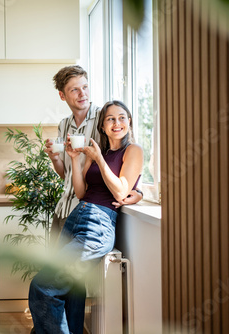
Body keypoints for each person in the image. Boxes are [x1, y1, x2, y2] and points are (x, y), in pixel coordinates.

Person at [29, 100, 144, 334]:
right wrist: (73, 158)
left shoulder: (133, 151)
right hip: (76, 217)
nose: (117, 123)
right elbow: (81, 192)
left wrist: (100, 160)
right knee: (71, 288)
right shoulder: (96, 153)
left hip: (98, 224)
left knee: (43, 287)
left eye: (122, 117)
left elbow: (121, 191)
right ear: (102, 125)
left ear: (129, 121)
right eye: (110, 118)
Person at [44, 65, 142, 246]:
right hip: (63, 207)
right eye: (74, 89)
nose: (82, 94)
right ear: (62, 95)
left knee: (65, 272)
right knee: (52, 267)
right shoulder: (64, 124)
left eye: (85, 87)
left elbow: (121, 156)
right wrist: (55, 158)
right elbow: (67, 175)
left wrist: (138, 191)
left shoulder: (105, 119)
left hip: (89, 210)